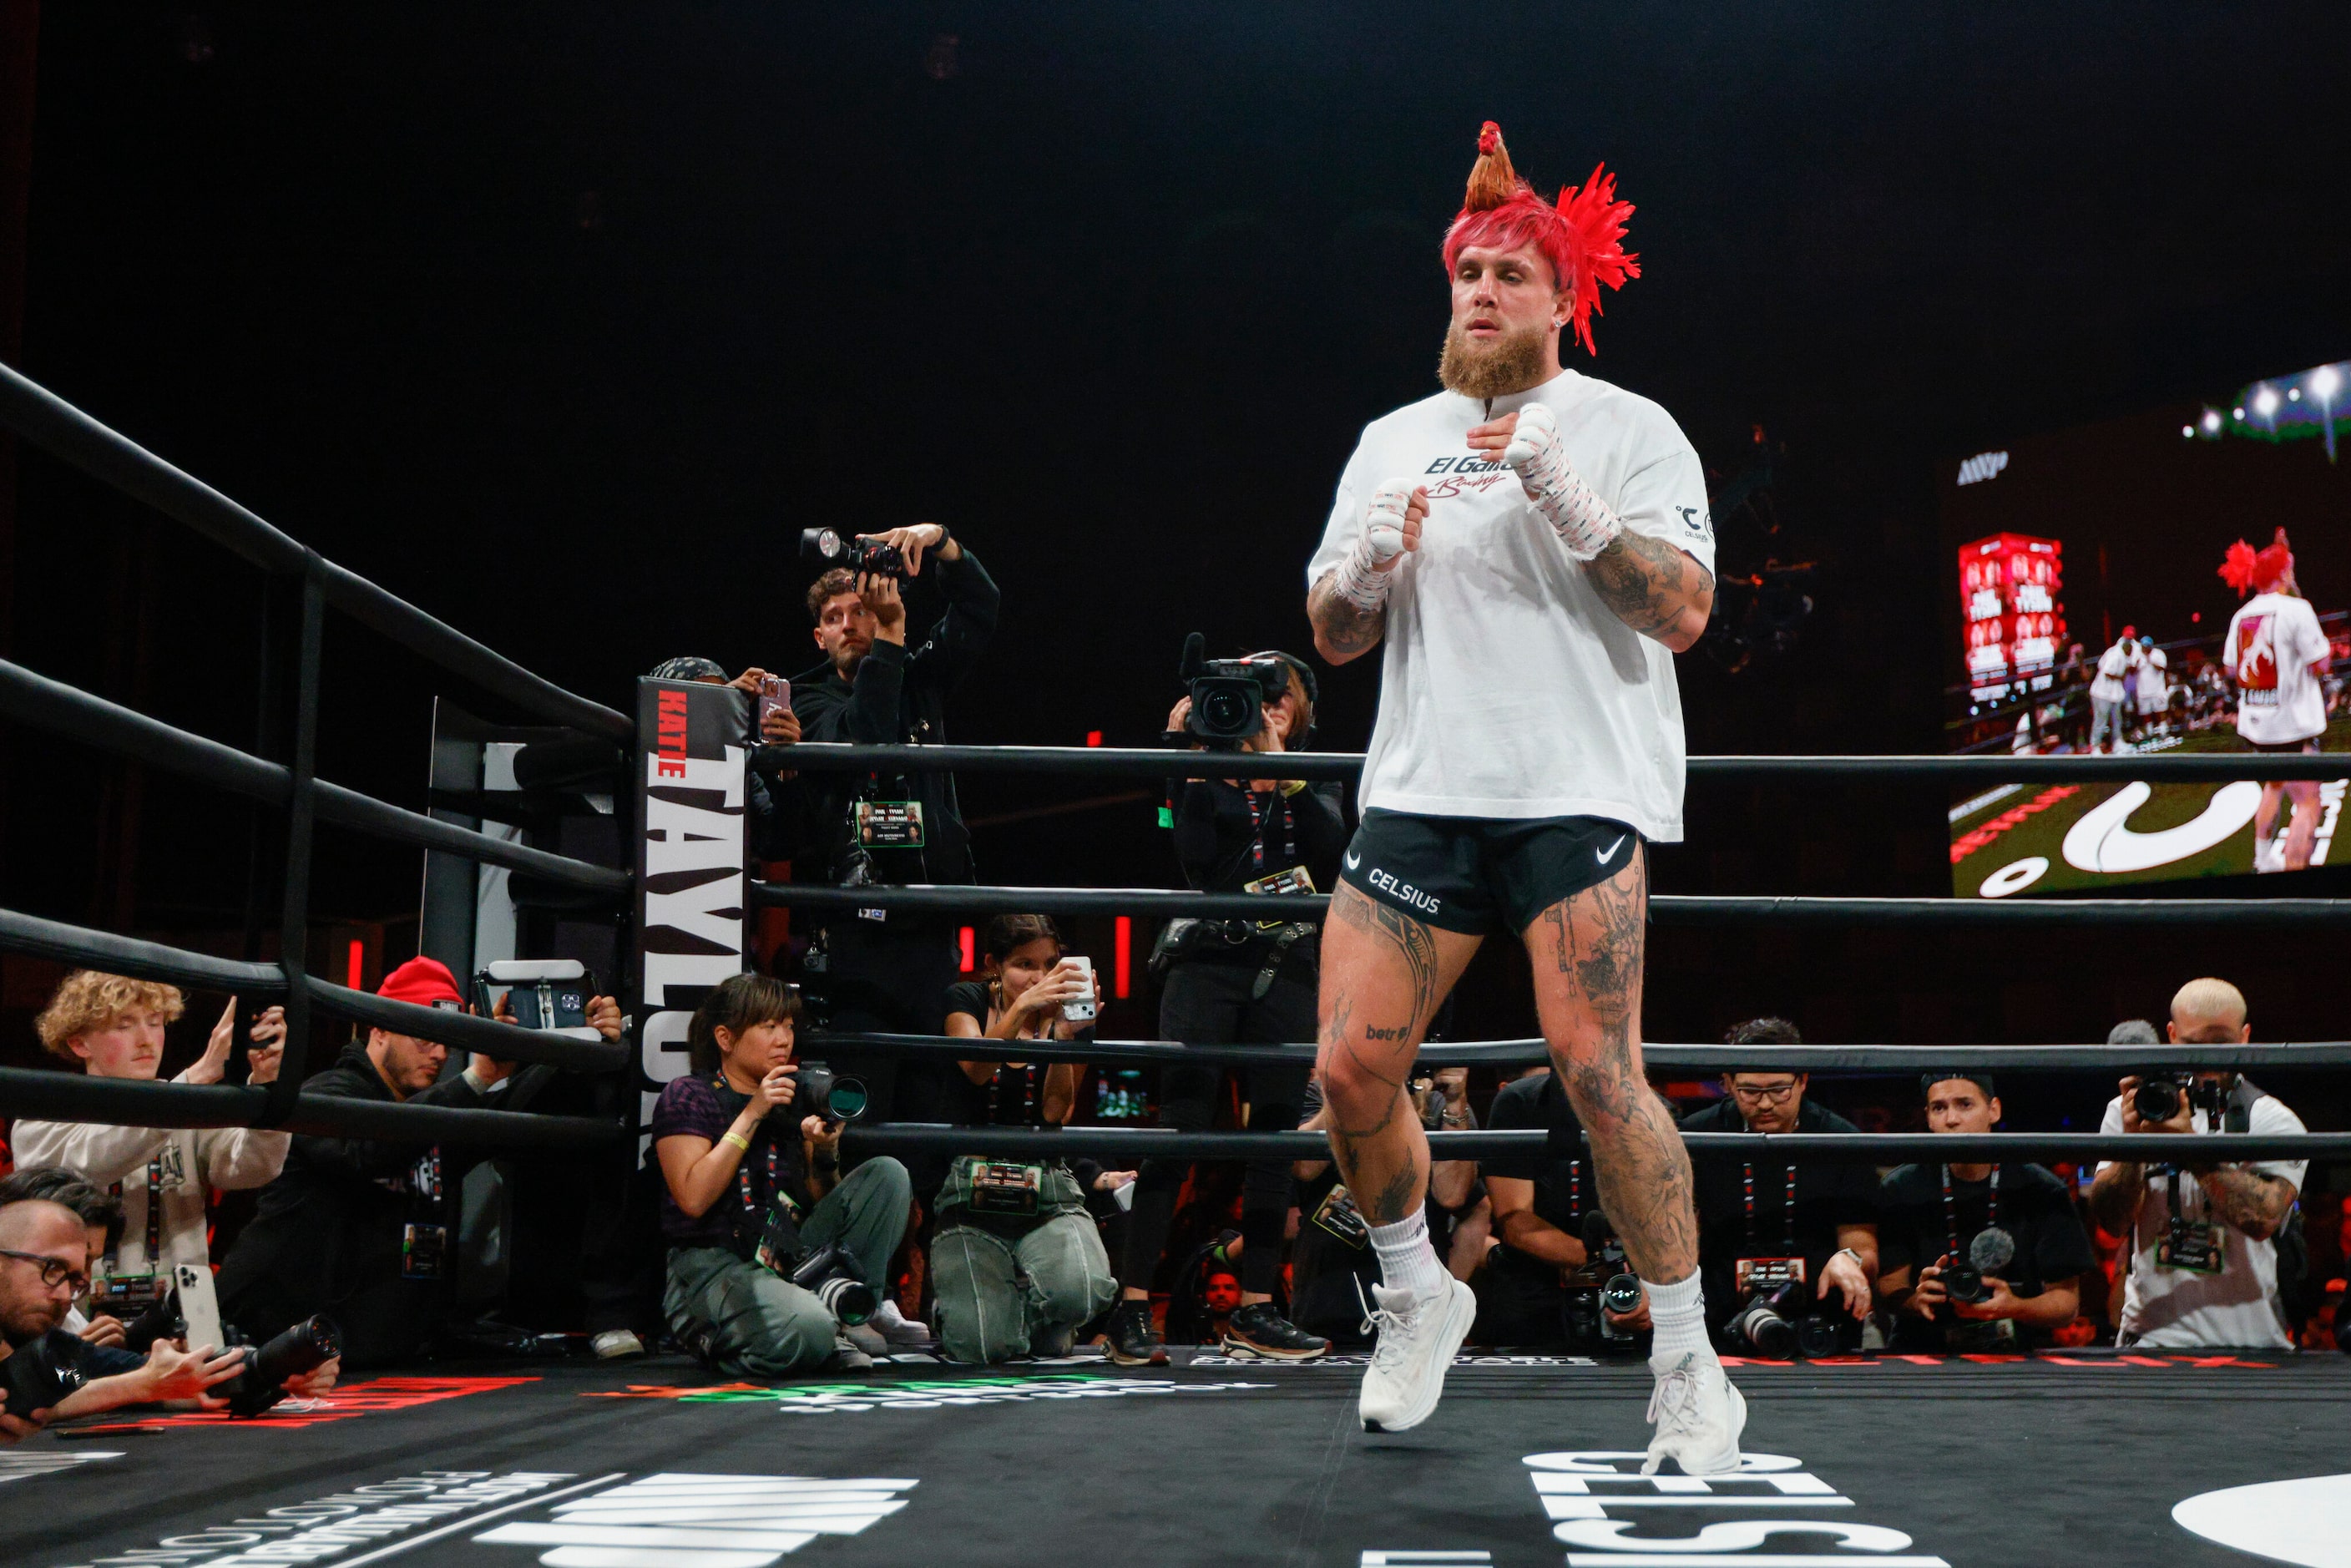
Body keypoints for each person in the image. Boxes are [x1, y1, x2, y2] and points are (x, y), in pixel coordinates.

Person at [1303, 121, 1728, 1459]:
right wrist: (1362, 570)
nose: (1478, 291)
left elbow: (1686, 612)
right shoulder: (1390, 438)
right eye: (1464, 272)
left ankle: (1686, 1359)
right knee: (1348, 1069)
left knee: (1601, 1077)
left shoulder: (1633, 429)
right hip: (1424, 791)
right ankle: (1422, 1291)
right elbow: (1331, 632)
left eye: (1506, 274)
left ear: (1560, 300)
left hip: (1575, 791)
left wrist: (1582, 513)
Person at [1105, 653, 1338, 1365]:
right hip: (1207, 966)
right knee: (1178, 1133)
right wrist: (1187, 756)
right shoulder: (1205, 767)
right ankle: (1133, 1308)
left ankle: (1258, 1310)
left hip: (1290, 965)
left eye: (1277, 696)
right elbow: (1196, 859)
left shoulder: (1322, 772)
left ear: (1300, 710)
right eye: (1251, 695)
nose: (1262, 706)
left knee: (1275, 1141)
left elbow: (1331, 852)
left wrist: (1279, 767)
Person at [215, 958, 615, 1368]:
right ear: (380, 1028)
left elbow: (506, 1118)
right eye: (425, 1037)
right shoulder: (329, 1093)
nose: (440, 1054)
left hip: (377, 1353)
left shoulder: (432, 1113)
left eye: (446, 1040)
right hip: (270, 1340)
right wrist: (475, 1079)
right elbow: (368, 1152)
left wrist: (577, 1046)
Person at [789, 524, 1000, 1139]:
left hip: (931, 932)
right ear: (820, 635)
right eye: (836, 615)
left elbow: (980, 609)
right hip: (856, 945)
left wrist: (943, 544)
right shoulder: (804, 703)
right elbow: (867, 735)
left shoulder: (920, 679)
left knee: (930, 1119)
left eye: (861, 609)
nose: (852, 622)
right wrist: (893, 637)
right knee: (862, 1122)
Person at [651, 973, 917, 1378]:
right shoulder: (688, 1094)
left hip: (788, 1253)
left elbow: (818, 1199)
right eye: (769, 1026)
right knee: (807, 1327)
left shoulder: (795, 1097)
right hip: (714, 1265)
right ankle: (789, 1336)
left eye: (789, 1027)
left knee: (888, 1176)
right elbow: (694, 1198)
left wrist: (825, 1153)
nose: (784, 1039)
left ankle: (849, 1317)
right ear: (726, 1039)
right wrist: (753, 1113)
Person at [12, 972, 290, 1313]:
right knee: (71, 1372)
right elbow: (91, 1163)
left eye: (155, 1023)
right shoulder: (43, 1109)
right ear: (80, 1042)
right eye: (124, 1025)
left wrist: (268, 1081)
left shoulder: (187, 1100)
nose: (146, 1040)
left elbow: (253, 1167)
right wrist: (201, 1074)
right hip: (78, 1319)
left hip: (182, 1316)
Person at [933, 915, 1120, 1363]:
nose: (1040, 977)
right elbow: (976, 1069)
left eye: (1050, 963)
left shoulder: (1070, 1017)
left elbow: (1057, 1112)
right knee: (982, 1345)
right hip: (970, 1190)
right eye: (1024, 964)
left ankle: (1034, 1309)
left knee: (1085, 1293)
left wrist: (1062, 1038)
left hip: (1046, 1188)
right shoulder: (966, 1000)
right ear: (993, 965)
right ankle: (971, 1309)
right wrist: (1021, 1009)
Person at [2088, 978, 2308, 1348]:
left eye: (2220, 1043)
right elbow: (2111, 1221)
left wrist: (2189, 1148)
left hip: (2251, 1343)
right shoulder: (2128, 1108)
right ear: (2172, 1036)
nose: (2206, 1057)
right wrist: (2135, 1145)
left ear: (2244, 1036)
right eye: (2193, 1045)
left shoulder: (2272, 1119)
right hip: (2149, 1341)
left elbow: (2263, 1218)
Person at [1665, 1020, 1878, 1353]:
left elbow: (1863, 1247)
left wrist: (1848, 1258)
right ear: (1727, 1084)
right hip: (1720, 1318)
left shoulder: (1842, 1140)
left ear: (1803, 1080)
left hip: (1817, 1320)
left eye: (1779, 1089)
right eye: (1750, 1091)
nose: (1765, 1104)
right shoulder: (1696, 1138)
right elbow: (1680, 1240)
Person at [1877, 1075, 2097, 1352]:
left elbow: (2066, 1304)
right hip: (1923, 1348)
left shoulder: (2041, 1188)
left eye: (1965, 1105)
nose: (1952, 1119)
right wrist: (1916, 1300)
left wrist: (2016, 1307)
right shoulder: (1901, 1188)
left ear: (1994, 1110)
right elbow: (1889, 1286)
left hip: (2014, 1353)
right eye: (1939, 1108)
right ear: (1928, 1118)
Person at [0, 1197, 247, 1439]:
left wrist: (271, 1365)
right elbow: (18, 1398)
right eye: (52, 1268)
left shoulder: (48, 1347)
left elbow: (73, 1382)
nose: (65, 1296)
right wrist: (143, 1384)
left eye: (75, 1280)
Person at [2219, 530, 2331, 872]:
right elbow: (2322, 663)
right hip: (2292, 728)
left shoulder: (2242, 615)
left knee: (2273, 783)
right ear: (2284, 574)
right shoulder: (2296, 609)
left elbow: (2229, 667)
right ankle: (2293, 881)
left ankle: (2262, 858)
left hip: (2258, 728)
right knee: (2309, 803)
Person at [1475, 1058, 1600, 1348]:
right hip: (1532, 1291)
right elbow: (1516, 1223)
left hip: (1629, 1284)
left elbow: (1669, 1221)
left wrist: (1644, 1278)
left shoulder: (1646, 1106)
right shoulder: (1519, 1102)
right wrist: (1604, 1264)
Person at [2088, 627, 2141, 753]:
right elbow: (2107, 672)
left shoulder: (2120, 654)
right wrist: (2121, 676)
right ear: (2127, 648)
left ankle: (2118, 742)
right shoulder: (2116, 655)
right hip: (2102, 693)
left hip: (2114, 694)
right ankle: (2095, 747)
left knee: (2117, 719)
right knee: (2101, 720)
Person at [2135, 635, 2171, 737]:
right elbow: (2132, 670)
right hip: (2143, 690)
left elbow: (2162, 667)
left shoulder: (2158, 654)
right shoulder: (2137, 656)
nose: (2145, 648)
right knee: (2146, 712)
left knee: (2161, 710)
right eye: (2143, 646)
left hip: (2158, 689)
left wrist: (2150, 660)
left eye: (2147, 646)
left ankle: (2163, 730)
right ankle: (2149, 731)